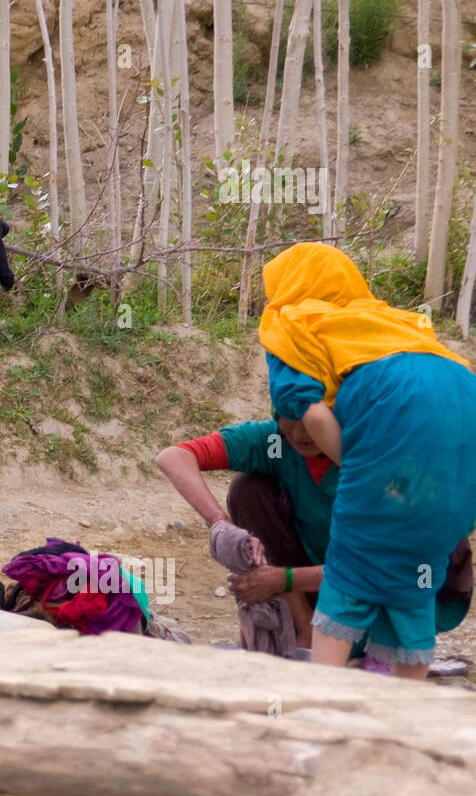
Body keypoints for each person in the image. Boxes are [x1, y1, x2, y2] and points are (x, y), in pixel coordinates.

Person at [258, 241, 476, 678]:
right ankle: (401, 710)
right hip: (464, 394)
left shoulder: (292, 321)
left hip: (392, 406)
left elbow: (310, 409)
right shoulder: (385, 318)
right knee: (419, 570)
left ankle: (326, 702)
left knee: (351, 572)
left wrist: (355, 465)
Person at [156, 417, 471, 654]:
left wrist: (282, 579)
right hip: (328, 575)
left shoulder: (374, 454)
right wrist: (221, 526)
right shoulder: (275, 440)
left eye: (311, 422)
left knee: (385, 643)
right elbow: (173, 456)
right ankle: (303, 627)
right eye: (289, 421)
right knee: (248, 490)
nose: (300, 434)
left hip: (399, 584)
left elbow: (378, 565)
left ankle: (368, 639)